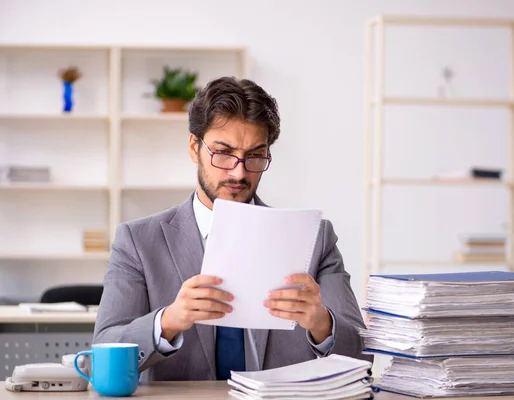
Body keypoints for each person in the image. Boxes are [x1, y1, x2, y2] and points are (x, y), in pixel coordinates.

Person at [92, 76, 370, 381]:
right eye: (223, 153)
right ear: (194, 147)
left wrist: (322, 324)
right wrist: (168, 321)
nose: (239, 172)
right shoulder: (138, 241)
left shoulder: (315, 238)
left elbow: (362, 354)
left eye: (254, 155)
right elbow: (102, 353)